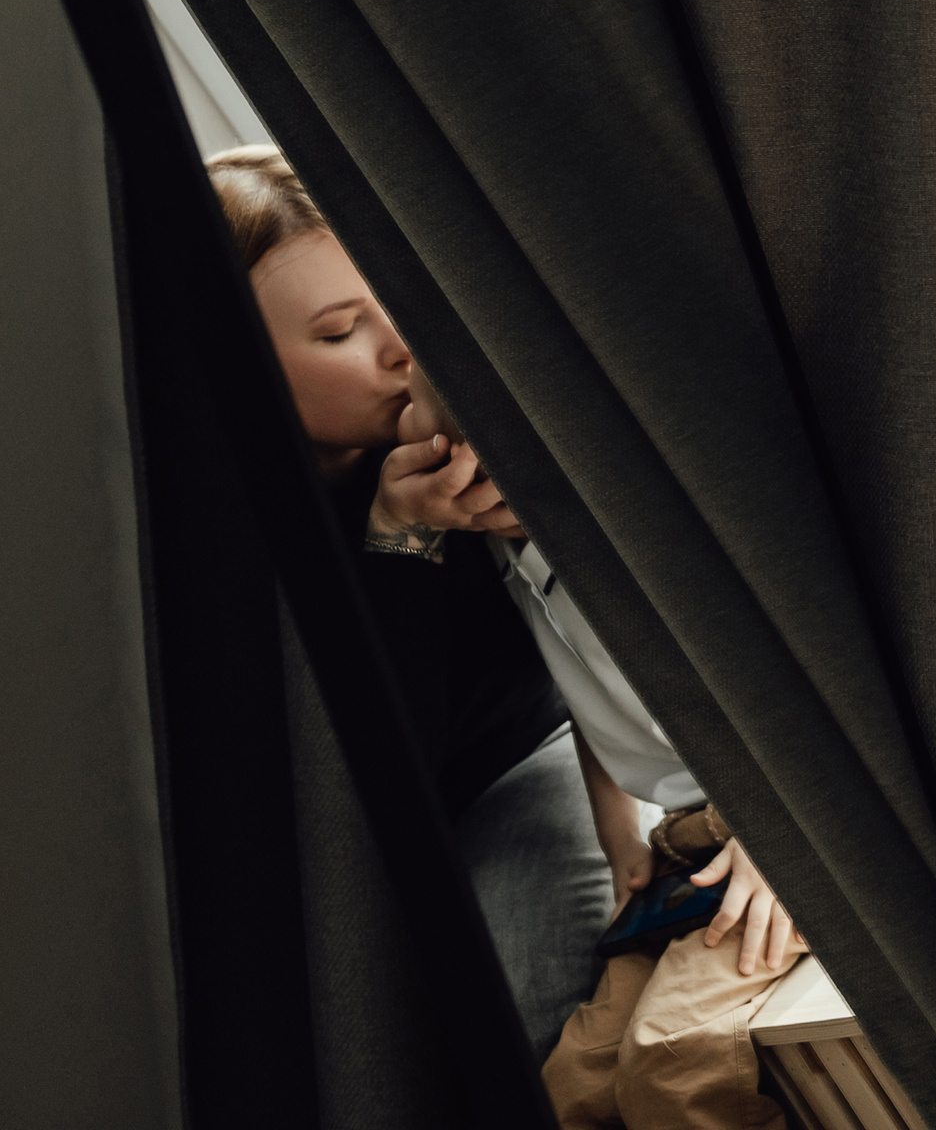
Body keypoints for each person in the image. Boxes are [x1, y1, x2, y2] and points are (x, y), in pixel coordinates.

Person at [206, 146, 607, 1045]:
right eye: (340, 331)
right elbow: (361, 776)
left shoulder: (465, 413)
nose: (400, 345)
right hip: (352, 855)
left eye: (391, 294)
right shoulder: (209, 538)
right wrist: (398, 540)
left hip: (537, 756)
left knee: (518, 982)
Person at [393, 379, 808, 1130]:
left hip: (773, 828)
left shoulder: (623, 538)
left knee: (671, 1060)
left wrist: (787, 829)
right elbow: (588, 707)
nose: (493, 499)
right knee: (571, 1088)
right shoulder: (499, 559)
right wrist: (620, 842)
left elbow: (783, 673)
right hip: (678, 844)